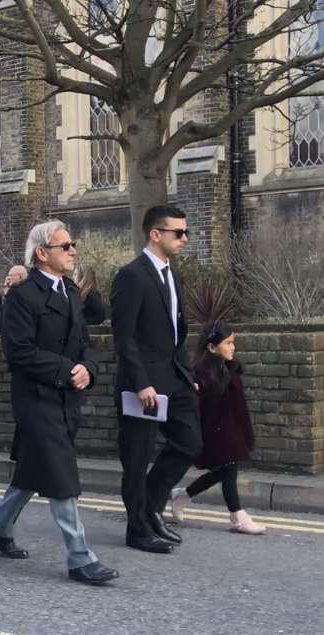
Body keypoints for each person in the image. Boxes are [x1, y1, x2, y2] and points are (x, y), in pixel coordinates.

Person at [0, 222, 119, 585]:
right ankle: (80, 557)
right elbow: (19, 352)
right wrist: (65, 369)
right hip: (36, 400)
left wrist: (87, 367)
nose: (73, 251)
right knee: (60, 474)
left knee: (33, 471)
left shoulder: (71, 292)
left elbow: (86, 341)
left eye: (72, 245)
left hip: (67, 398)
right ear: (42, 253)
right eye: (65, 246)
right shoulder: (21, 298)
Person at [111, 205, 202, 554]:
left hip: (175, 379)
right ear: (155, 234)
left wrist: (186, 375)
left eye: (186, 233)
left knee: (189, 442)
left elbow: (177, 333)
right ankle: (138, 529)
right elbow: (125, 337)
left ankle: (149, 505)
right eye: (178, 233)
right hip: (143, 384)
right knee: (136, 457)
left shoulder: (172, 275)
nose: (184, 239)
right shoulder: (132, 276)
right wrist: (140, 382)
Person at [169, 322, 264, 534]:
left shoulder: (231, 368)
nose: (233, 347)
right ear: (212, 348)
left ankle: (183, 495)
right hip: (215, 430)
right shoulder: (202, 373)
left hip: (232, 428)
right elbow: (200, 405)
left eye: (233, 342)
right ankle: (237, 516)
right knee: (228, 469)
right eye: (228, 343)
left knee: (225, 470)